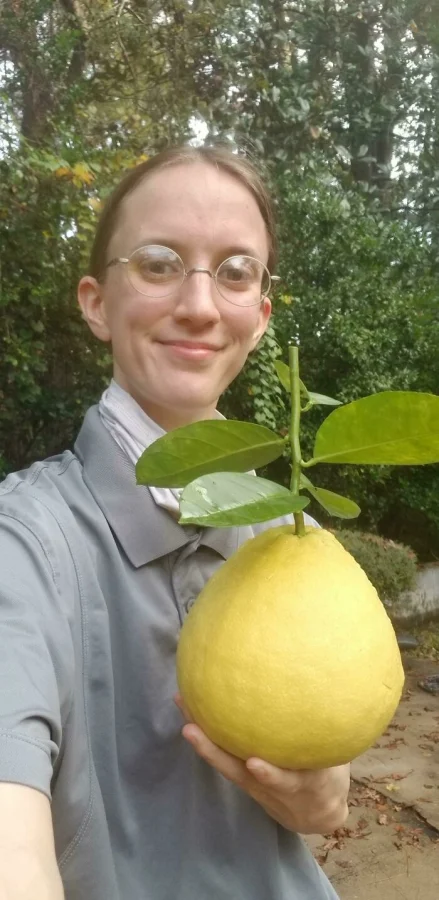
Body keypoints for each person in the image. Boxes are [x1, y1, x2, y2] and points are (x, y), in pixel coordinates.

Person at [0, 144, 350, 900]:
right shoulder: (23, 543)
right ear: (97, 302)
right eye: (159, 263)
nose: (199, 305)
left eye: (235, 272)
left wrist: (319, 795)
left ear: (260, 318)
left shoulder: (292, 539)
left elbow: (329, 804)